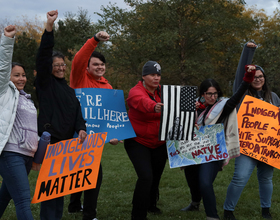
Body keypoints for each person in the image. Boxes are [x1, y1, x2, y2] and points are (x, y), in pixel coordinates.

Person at [180, 64, 257, 220]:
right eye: (209, 94)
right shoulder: (192, 106)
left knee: (205, 183)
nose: (213, 97)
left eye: (215, 94)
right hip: (192, 150)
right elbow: (179, 123)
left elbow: (240, 93)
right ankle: (195, 203)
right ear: (202, 94)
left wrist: (248, 77)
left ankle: (212, 216)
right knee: (193, 181)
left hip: (212, 153)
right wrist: (189, 113)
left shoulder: (223, 106)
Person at [34, 10, 87, 220]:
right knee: (50, 191)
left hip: (67, 145)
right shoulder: (45, 84)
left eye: (63, 65)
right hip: (50, 143)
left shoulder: (69, 90)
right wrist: (49, 27)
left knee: (60, 189)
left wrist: (81, 128)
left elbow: (77, 113)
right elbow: (43, 55)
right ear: (49, 68)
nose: (61, 68)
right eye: (56, 65)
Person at [223, 42, 280, 220]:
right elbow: (242, 74)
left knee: (266, 179)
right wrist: (249, 51)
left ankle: (266, 211)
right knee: (239, 178)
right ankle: (228, 211)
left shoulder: (274, 97)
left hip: (267, 148)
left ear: (265, 78)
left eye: (261, 76)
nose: (258, 79)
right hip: (247, 147)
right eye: (254, 76)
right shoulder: (241, 96)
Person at [69, 31, 120, 220]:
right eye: (95, 64)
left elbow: (108, 117)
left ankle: (74, 205)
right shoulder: (79, 78)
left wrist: (114, 135)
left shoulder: (108, 87)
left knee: (81, 172)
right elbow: (79, 59)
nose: (99, 67)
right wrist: (95, 40)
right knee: (94, 175)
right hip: (77, 135)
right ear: (87, 67)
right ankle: (89, 215)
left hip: (95, 139)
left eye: (102, 64)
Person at [0, 25, 38, 220]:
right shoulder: (4, 93)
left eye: (23, 75)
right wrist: (7, 39)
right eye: (17, 75)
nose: (21, 78)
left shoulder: (27, 98)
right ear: (8, 77)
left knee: (3, 198)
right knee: (23, 200)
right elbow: (3, 65)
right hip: (11, 154)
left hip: (26, 156)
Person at [124, 61, 167, 220]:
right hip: (138, 141)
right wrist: (154, 106)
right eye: (152, 75)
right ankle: (138, 215)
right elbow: (140, 101)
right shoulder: (136, 91)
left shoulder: (164, 91)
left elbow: (177, 104)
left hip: (160, 142)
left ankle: (151, 204)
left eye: (158, 75)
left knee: (155, 177)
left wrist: (192, 106)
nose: (156, 78)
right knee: (146, 176)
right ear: (143, 76)